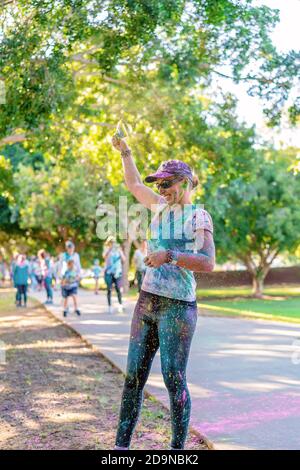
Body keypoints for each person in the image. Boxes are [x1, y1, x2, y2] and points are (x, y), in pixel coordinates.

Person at [111, 135, 215, 450]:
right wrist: (125, 150)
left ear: (184, 183)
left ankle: (176, 450)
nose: (161, 190)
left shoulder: (198, 215)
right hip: (146, 302)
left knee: (173, 378)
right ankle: (121, 448)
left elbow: (208, 262)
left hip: (179, 307)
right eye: (158, 185)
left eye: (166, 184)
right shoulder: (158, 207)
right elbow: (132, 184)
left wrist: (169, 255)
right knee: (133, 378)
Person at [103, 236, 125, 314]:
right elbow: (104, 257)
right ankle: (109, 307)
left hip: (117, 273)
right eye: (111, 242)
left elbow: (124, 259)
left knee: (118, 290)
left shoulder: (118, 249)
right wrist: (109, 250)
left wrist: (120, 251)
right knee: (109, 289)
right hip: (108, 272)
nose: (112, 244)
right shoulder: (106, 249)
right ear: (109, 243)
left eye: (113, 242)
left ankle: (120, 305)